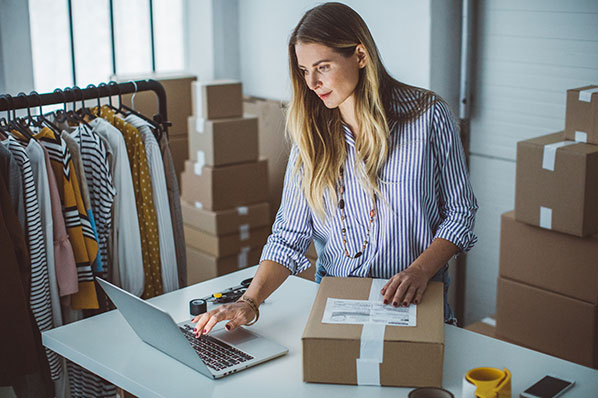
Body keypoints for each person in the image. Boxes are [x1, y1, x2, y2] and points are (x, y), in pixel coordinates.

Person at [193, 2, 478, 337]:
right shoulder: (311, 136)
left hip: (416, 299)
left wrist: (419, 270)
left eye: (322, 67)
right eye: (303, 71)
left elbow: (460, 213)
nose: (312, 82)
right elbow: (289, 236)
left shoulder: (428, 116)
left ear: (360, 55)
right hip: (338, 302)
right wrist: (250, 302)